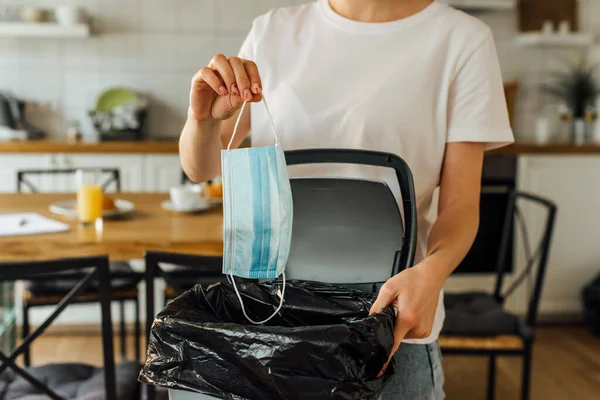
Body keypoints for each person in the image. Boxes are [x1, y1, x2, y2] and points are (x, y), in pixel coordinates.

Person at [180, 0, 514, 398]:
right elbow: (201, 169)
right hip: (269, 324)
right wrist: (202, 120)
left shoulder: (461, 40)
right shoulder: (272, 31)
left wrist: (433, 271)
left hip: (387, 329)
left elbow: (460, 204)